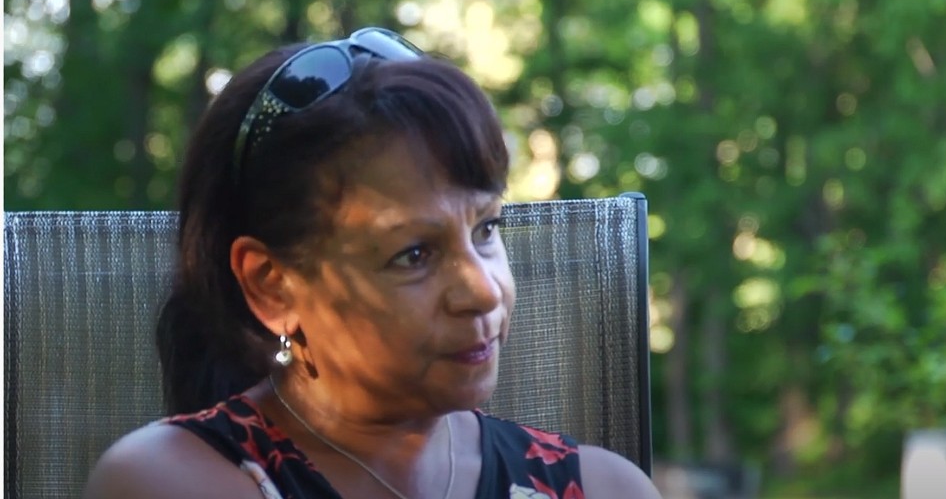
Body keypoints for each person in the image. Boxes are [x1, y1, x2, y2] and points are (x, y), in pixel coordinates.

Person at [83, 27, 662, 499]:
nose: (483, 292)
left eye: (486, 229)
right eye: (414, 254)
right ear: (273, 286)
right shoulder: (173, 483)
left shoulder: (602, 487)